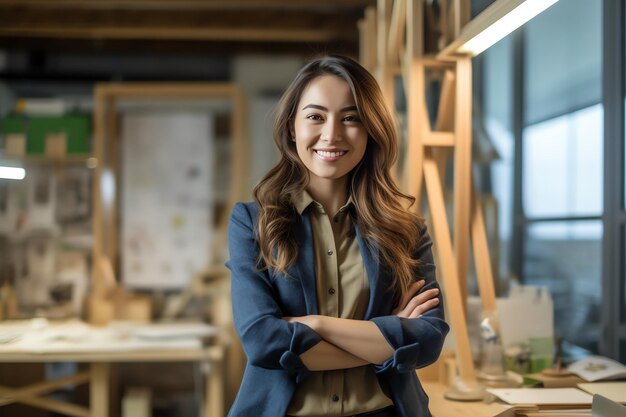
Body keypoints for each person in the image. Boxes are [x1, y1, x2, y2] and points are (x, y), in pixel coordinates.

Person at [226, 55, 449, 417]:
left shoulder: (406, 230)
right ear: (291, 128)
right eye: (315, 116)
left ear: (371, 129)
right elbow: (262, 342)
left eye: (351, 118)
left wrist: (315, 325)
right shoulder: (252, 222)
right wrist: (387, 336)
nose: (331, 134)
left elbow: (428, 340)